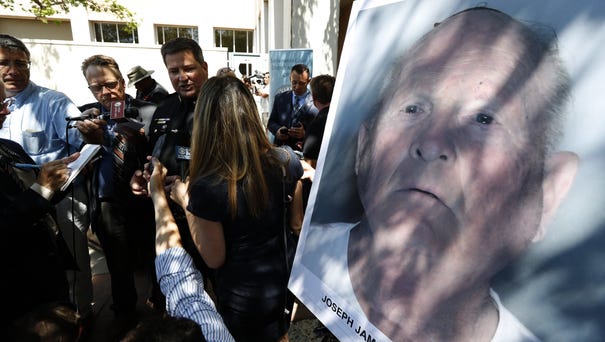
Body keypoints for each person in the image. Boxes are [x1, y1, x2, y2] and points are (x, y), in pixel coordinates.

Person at [301, 7, 579, 342]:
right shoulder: (307, 264)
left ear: (545, 196)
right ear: (364, 150)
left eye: (485, 119)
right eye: (414, 107)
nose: (431, 142)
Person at [167, 76, 303, 341]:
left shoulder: (206, 187)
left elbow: (213, 258)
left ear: (205, 121)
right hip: (282, 283)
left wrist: (185, 202)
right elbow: (296, 216)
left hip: (243, 299)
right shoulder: (286, 160)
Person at [0, 34, 93, 320]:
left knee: (71, 267)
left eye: (20, 63)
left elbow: (83, 142)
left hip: (59, 202)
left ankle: (80, 320)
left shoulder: (53, 102)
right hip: (13, 214)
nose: (13, 70)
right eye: (4, 63)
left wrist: (94, 134)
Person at [76, 54, 158, 318]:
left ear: (122, 82)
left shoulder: (148, 111)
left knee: (154, 257)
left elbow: (159, 152)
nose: (105, 92)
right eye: (97, 87)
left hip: (145, 199)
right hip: (107, 202)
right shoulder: (84, 117)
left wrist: (133, 140)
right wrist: (88, 142)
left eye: (110, 84)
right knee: (118, 263)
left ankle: (160, 305)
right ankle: (123, 311)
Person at [124, 156, 235, 342]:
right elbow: (184, 286)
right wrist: (181, 201)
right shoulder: (214, 334)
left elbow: (179, 278)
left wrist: (158, 194)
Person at [0, 78, 80, 336]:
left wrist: (67, 175)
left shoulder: (8, 148)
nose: (6, 111)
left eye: (6, 102)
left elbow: (40, 196)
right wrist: (42, 190)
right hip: (14, 291)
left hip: (47, 275)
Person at [130, 37, 210, 277]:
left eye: (188, 68)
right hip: (170, 216)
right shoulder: (164, 108)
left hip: (209, 213)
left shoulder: (222, 106)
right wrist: (143, 174)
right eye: (173, 71)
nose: (181, 77)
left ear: (204, 67)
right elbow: (156, 153)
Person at [267, 64, 318, 151]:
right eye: (294, 82)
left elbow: (320, 132)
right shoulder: (280, 98)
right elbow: (271, 122)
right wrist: (277, 130)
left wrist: (305, 134)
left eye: (302, 83)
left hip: (304, 153)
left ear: (308, 81)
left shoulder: (316, 101)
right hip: (281, 151)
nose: (297, 86)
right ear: (290, 79)